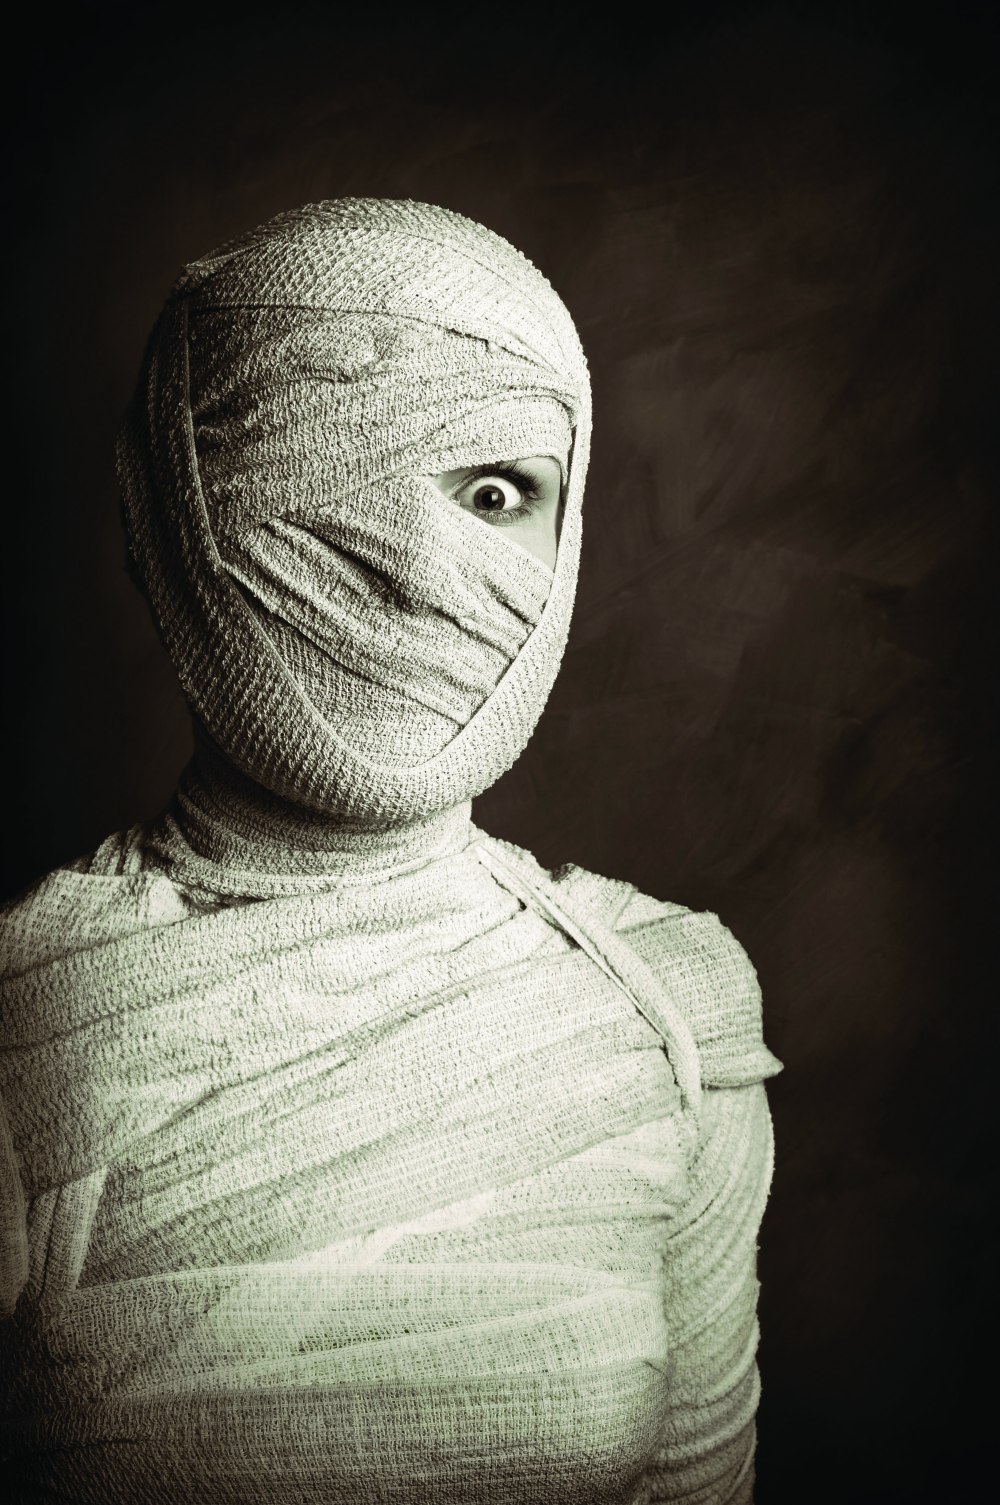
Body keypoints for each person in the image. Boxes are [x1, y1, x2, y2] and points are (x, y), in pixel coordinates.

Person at [0, 198, 782, 1504]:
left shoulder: (666, 1006)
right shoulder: (25, 1023)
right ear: (169, 518)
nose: (419, 568)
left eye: (495, 493)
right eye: (323, 472)